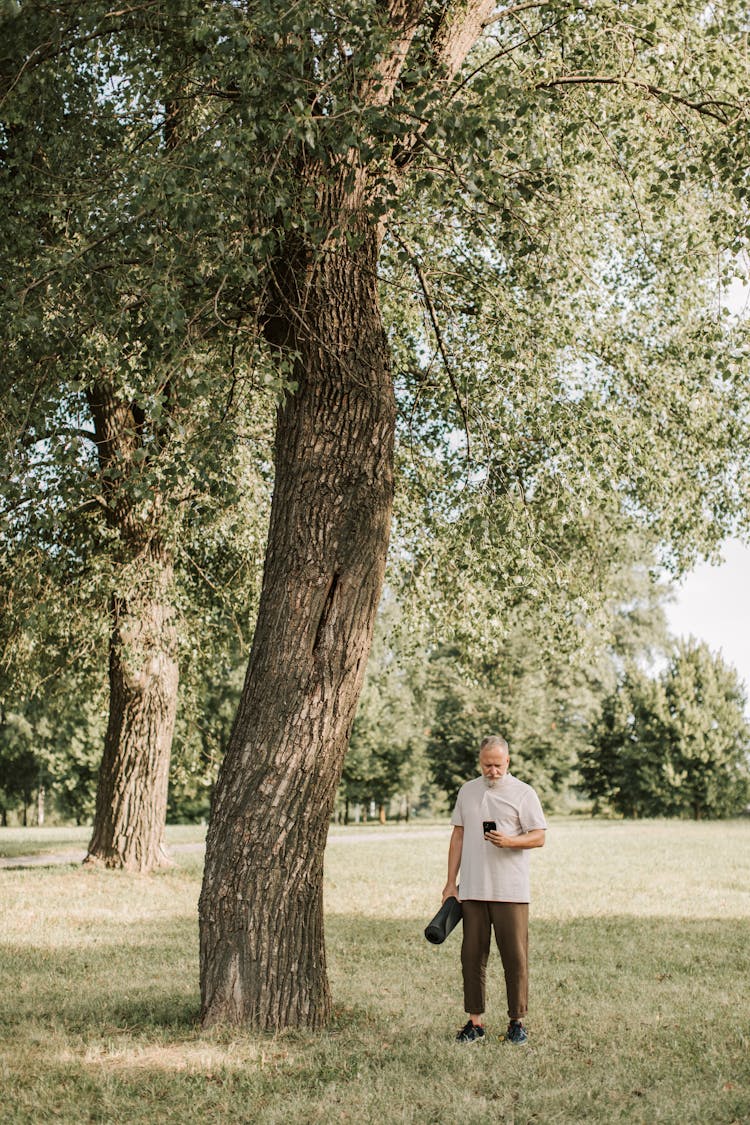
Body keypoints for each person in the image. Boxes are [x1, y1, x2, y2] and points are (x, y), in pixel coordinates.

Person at [442, 734, 546, 1045]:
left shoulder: (524, 794)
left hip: (510, 891)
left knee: (514, 957)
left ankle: (517, 1021)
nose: (493, 771)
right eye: (488, 765)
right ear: (480, 762)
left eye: (498, 765)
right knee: (472, 957)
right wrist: (450, 883)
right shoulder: (468, 791)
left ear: (508, 762)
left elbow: (539, 836)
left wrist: (511, 841)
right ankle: (475, 1022)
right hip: (472, 889)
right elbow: (458, 836)